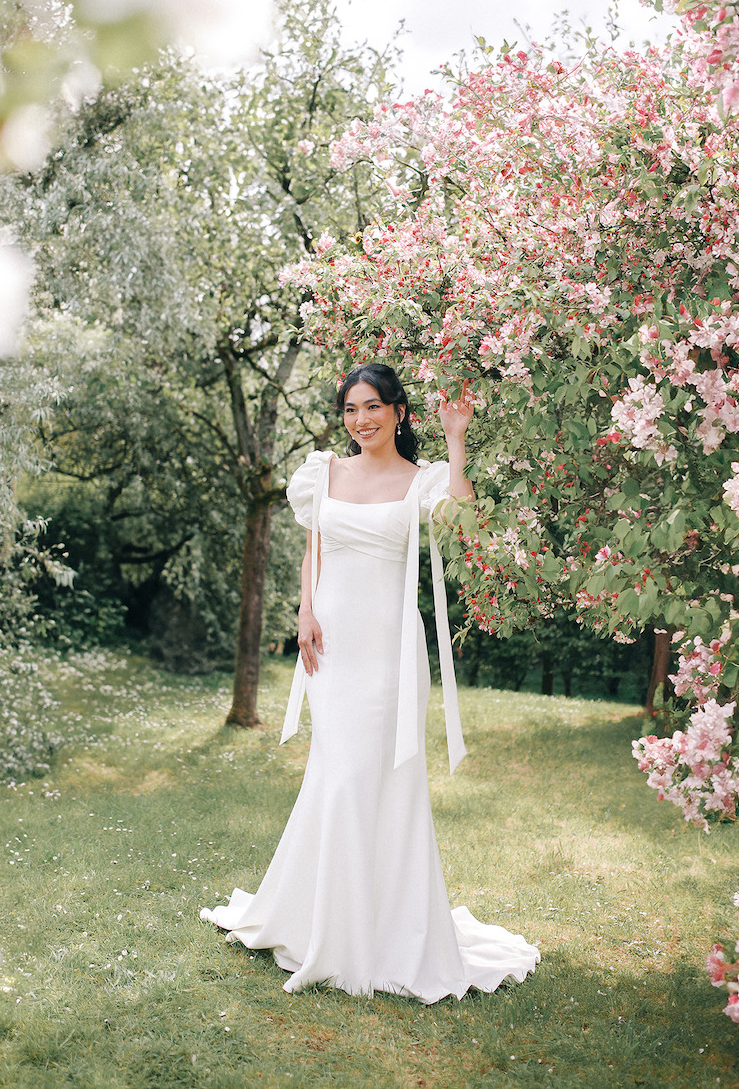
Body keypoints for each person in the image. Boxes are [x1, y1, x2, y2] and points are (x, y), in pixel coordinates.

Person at [200, 363, 540, 1002]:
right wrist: (304, 611)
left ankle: (376, 934)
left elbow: (463, 521)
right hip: (332, 642)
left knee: (373, 779)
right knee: (336, 775)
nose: (361, 420)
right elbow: (314, 548)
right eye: (351, 409)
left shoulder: (421, 481)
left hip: (387, 650)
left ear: (398, 411)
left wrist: (457, 438)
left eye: (372, 407)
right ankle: (320, 921)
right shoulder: (324, 471)